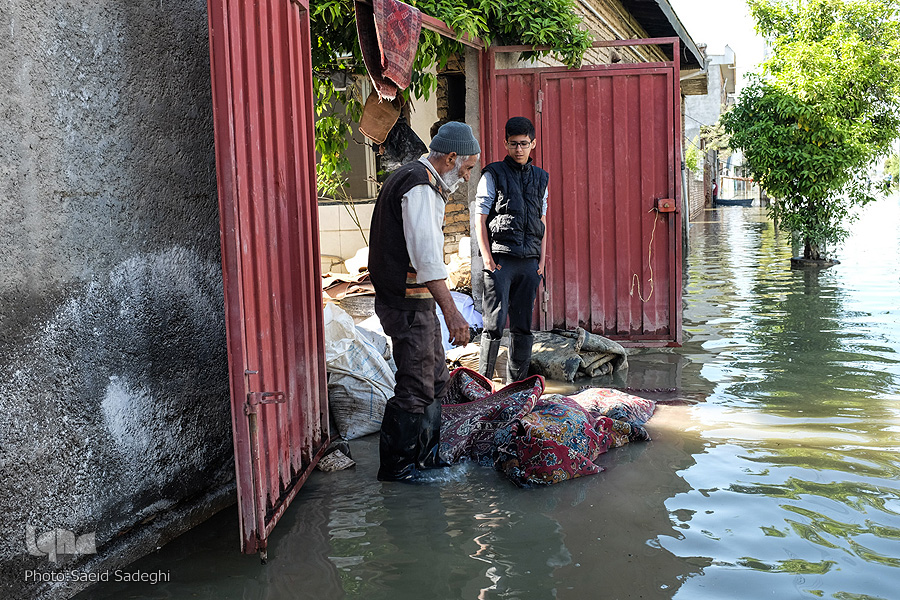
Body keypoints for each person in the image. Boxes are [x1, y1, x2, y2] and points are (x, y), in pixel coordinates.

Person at [368, 121, 480, 482]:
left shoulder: (417, 179)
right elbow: (427, 259)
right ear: (450, 158)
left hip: (414, 301)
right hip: (406, 303)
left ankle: (427, 459)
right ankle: (398, 470)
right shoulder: (420, 185)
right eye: (466, 168)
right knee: (415, 385)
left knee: (434, 377)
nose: (466, 177)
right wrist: (453, 314)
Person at [475, 116, 549, 384]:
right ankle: (481, 387)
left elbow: (542, 221)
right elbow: (480, 218)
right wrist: (487, 260)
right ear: (505, 143)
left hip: (529, 264)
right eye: (514, 144)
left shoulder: (541, 178)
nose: (519, 149)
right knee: (493, 326)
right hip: (501, 261)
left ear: (533, 144)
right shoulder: (493, 174)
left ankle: (515, 388)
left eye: (524, 144)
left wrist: (541, 262)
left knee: (522, 327)